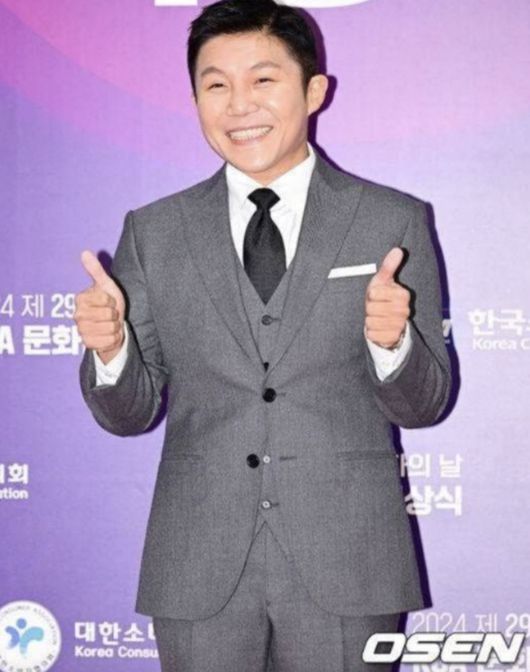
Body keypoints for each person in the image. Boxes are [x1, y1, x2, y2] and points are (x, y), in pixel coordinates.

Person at [74, 0, 452, 669]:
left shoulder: (389, 221)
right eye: (216, 84)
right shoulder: (154, 232)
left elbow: (424, 406)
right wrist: (110, 352)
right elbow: (129, 414)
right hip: (197, 563)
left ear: (314, 90)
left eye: (263, 80)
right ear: (195, 99)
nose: (239, 104)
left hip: (348, 560)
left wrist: (392, 345)